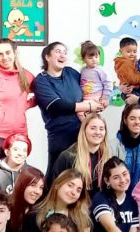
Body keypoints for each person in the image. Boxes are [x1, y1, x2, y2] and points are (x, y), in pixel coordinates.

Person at [33, 41, 94, 172]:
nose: (63, 55)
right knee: (58, 174)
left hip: (82, 132)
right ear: (47, 57)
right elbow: (56, 105)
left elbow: (87, 89)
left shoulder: (71, 73)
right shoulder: (41, 80)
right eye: (58, 51)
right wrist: (87, 106)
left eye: (65, 52)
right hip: (60, 136)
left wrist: (99, 100)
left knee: (82, 173)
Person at [0, 38, 35, 173]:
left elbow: (41, 96)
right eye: (0, 54)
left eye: (8, 52)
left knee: (19, 180)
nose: (5, 57)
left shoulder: (26, 76)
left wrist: (24, 105)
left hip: (20, 138)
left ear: (15, 52)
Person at [48, 113, 111, 191]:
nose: (97, 132)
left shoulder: (108, 157)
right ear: (84, 130)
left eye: (101, 129)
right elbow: (55, 188)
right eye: (93, 128)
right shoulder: (67, 157)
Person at [10, 165, 45, 232]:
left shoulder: (37, 213)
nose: (38, 192)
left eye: (41, 188)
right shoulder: (6, 208)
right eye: (33, 185)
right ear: (22, 185)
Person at [78, 40, 112, 106]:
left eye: (96, 57)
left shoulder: (100, 70)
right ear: (83, 59)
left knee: (81, 113)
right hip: (86, 97)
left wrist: (105, 98)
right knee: (83, 113)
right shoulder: (83, 70)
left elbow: (108, 83)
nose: (94, 59)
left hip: (96, 97)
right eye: (90, 58)